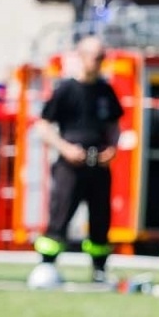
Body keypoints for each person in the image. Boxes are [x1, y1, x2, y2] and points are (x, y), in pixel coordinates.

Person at [30, 36, 123, 285]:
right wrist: (65, 148)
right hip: (70, 166)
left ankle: (99, 271)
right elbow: (43, 126)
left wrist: (112, 148)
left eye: (103, 57)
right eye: (96, 57)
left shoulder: (106, 91)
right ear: (81, 57)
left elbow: (115, 125)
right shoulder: (66, 90)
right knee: (59, 218)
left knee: (100, 222)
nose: (100, 62)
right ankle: (46, 269)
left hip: (99, 165)